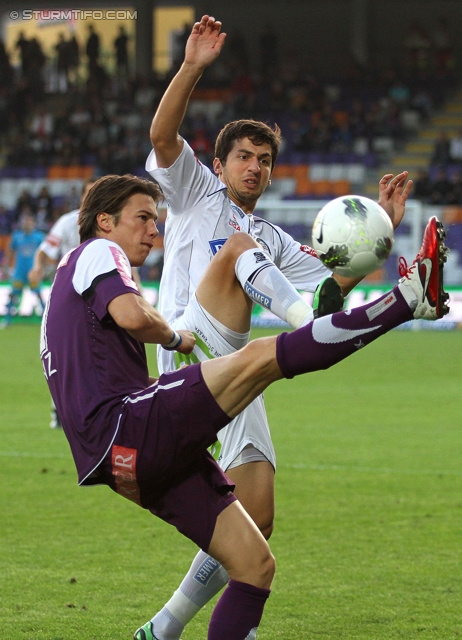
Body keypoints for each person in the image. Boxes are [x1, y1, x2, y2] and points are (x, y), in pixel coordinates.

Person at [40, 173, 448, 640]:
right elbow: (132, 315)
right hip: (127, 423)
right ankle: (409, 298)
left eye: (156, 218)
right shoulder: (98, 250)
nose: (155, 229)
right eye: (144, 218)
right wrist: (174, 336)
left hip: (117, 458)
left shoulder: (65, 287)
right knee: (260, 358)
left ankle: (164, 629)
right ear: (105, 221)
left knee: (254, 565)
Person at [143, 15, 418, 639]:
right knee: (242, 252)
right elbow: (163, 135)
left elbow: (325, 291)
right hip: (186, 344)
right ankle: (300, 349)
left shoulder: (271, 238)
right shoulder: (192, 192)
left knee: (257, 517)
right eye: (244, 157)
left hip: (234, 358)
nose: (255, 168)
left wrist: (379, 233)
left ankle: (163, 627)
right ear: (218, 163)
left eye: (264, 161)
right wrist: (193, 66)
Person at [29, 178, 96, 427]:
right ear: (81, 197)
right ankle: (59, 408)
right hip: (70, 296)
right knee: (65, 353)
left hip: (100, 297)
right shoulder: (68, 222)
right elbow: (44, 250)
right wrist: (37, 267)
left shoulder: (109, 222)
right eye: (89, 193)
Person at [1, 213, 45, 327]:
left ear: (33, 223)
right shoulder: (17, 236)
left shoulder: (38, 237)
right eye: (26, 222)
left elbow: (44, 253)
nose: (27, 224)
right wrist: (6, 266)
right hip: (19, 271)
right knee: (13, 295)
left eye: (29, 222)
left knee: (38, 294)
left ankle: (46, 319)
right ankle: (8, 320)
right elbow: (10, 251)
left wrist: (42, 268)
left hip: (32, 272)